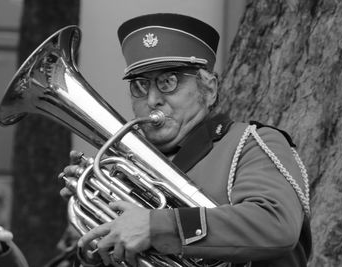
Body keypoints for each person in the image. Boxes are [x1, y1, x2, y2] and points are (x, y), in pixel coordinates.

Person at [62, 13, 312, 267]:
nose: (151, 100)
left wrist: (156, 226)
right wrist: (95, 236)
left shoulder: (249, 144)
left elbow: (275, 223)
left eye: (168, 82)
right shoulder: (122, 169)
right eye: (139, 85)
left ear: (209, 89)